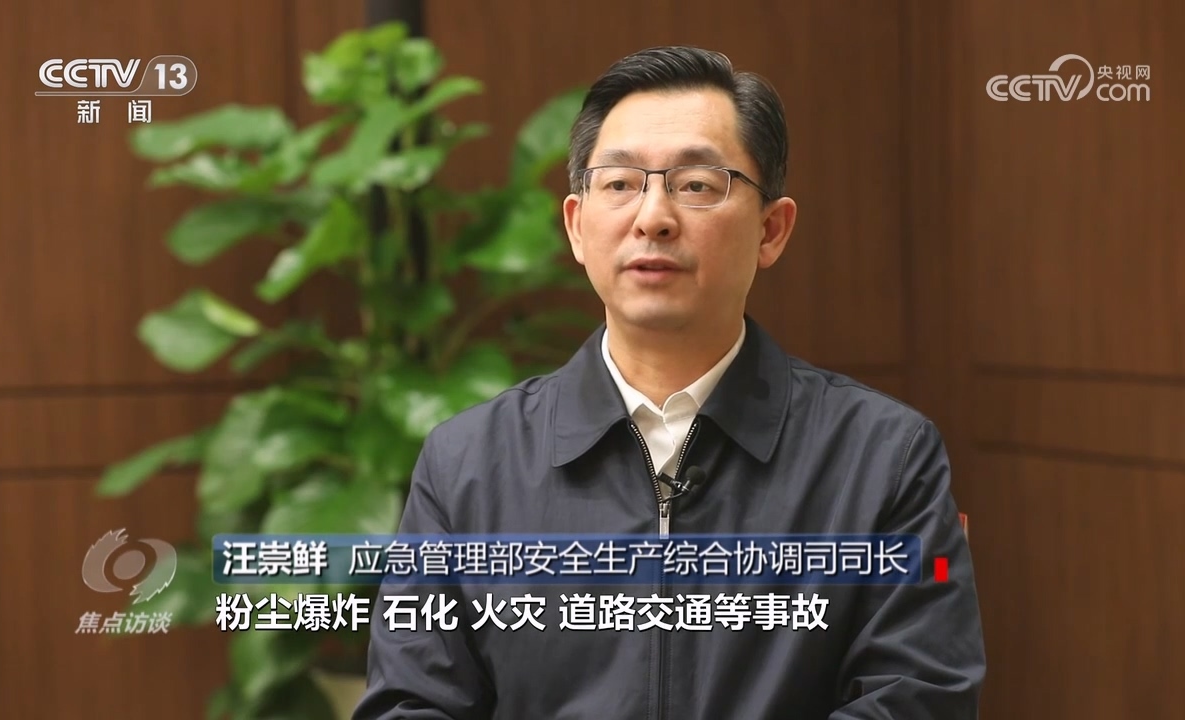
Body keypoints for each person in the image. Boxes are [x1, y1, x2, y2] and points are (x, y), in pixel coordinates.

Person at [353, 45, 985, 720]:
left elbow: (918, 700)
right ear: (577, 226)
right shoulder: (467, 464)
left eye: (697, 185)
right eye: (620, 184)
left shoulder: (883, 458)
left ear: (771, 230)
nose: (652, 216)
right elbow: (412, 703)